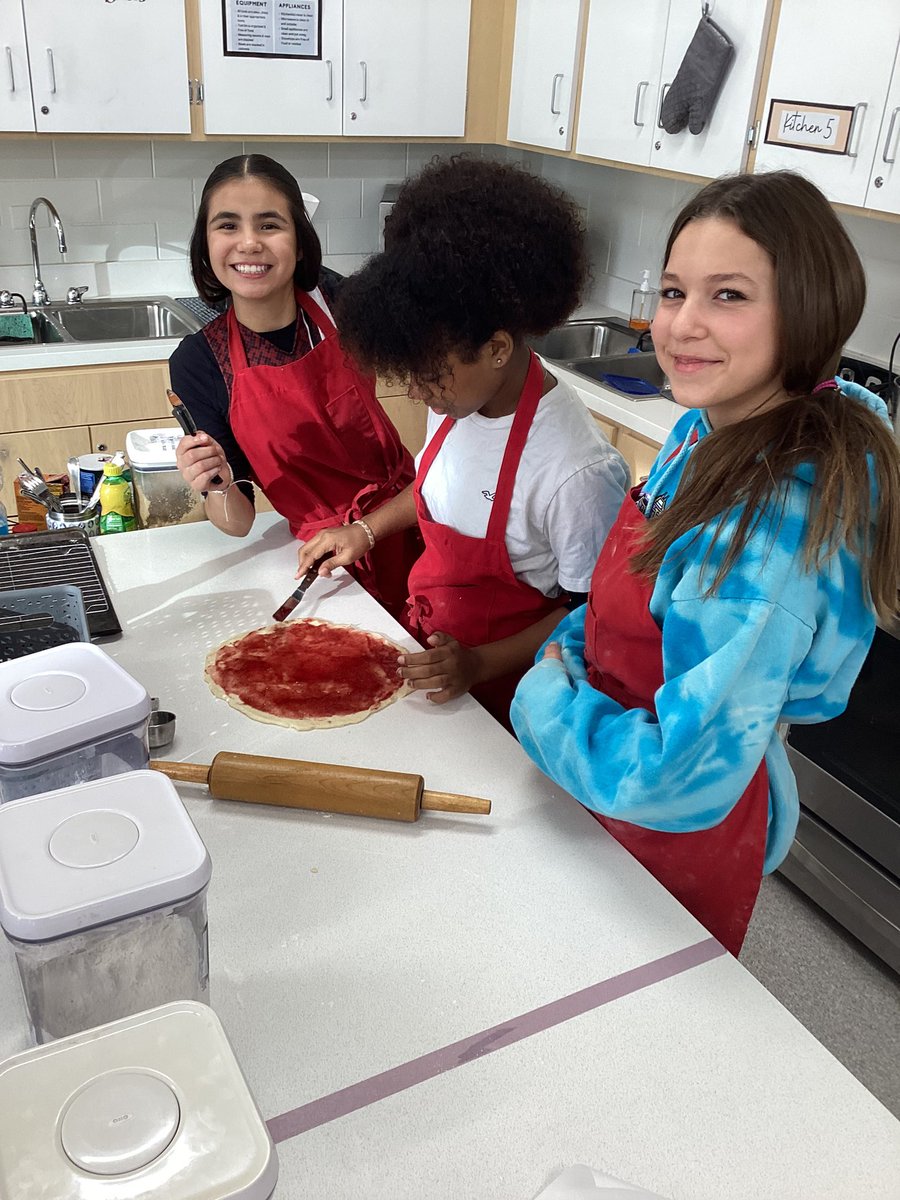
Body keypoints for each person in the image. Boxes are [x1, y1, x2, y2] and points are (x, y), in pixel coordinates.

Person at [511, 170, 900, 956]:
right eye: (673, 291)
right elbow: (630, 588)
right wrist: (571, 650)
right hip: (602, 774)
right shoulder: (708, 431)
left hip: (663, 841)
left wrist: (545, 699)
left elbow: (679, 777)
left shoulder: (765, 534)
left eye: (728, 295)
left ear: (807, 310)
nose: (682, 324)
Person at [297, 156, 629, 727]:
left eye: (430, 376)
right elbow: (440, 489)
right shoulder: (462, 397)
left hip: (514, 701)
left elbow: (591, 617)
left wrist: (478, 664)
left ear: (497, 348)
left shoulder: (575, 472)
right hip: (436, 668)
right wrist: (364, 531)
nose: (419, 394)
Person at [170, 153, 419, 616]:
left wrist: (368, 529)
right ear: (205, 245)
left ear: (300, 243)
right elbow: (238, 521)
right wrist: (216, 484)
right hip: (327, 562)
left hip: (411, 522)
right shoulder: (199, 362)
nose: (249, 243)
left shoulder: (343, 304)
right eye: (228, 225)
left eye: (269, 225)